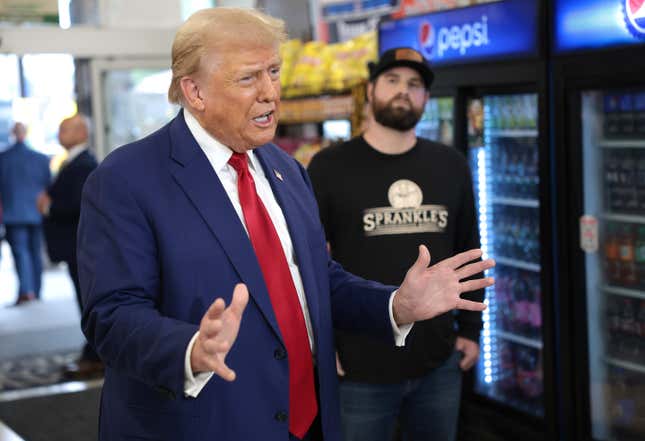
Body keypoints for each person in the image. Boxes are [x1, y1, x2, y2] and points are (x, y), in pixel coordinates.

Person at [77, 8, 495, 441]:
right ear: (194, 91)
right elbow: (112, 314)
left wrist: (395, 306)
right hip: (205, 423)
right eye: (248, 78)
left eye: (274, 72)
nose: (270, 93)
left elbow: (316, 279)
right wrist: (188, 349)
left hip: (309, 421)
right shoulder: (125, 179)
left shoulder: (287, 170)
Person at [307, 47, 484, 441]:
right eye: (392, 80)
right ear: (370, 91)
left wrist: (472, 329)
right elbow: (310, 263)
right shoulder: (329, 166)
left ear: (425, 98)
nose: (403, 91)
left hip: (438, 360)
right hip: (358, 366)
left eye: (414, 84)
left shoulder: (450, 164)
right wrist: (321, 343)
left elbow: (468, 248)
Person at [37, 114, 102, 379]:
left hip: (82, 244)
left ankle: (96, 355)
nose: (59, 132)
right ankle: (93, 352)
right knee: (84, 300)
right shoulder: (72, 161)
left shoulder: (84, 163)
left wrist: (48, 206)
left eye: (65, 129)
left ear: (82, 133)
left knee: (89, 300)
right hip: (75, 245)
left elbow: (79, 204)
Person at [0, 122, 51, 305]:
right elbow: (48, 185)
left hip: (13, 213)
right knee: (35, 252)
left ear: (13, 133)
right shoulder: (40, 158)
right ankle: (36, 291)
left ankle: (26, 291)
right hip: (36, 213)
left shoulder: (3, 158)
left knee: (21, 253)